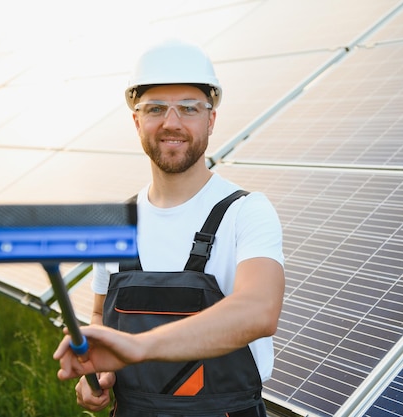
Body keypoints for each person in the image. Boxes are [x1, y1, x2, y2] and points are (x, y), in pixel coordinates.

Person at [53, 38, 285, 417]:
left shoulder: (247, 211)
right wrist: (100, 370)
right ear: (136, 120)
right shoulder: (115, 224)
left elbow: (259, 310)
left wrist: (140, 346)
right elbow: (100, 316)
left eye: (189, 109)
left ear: (211, 119)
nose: (171, 122)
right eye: (155, 108)